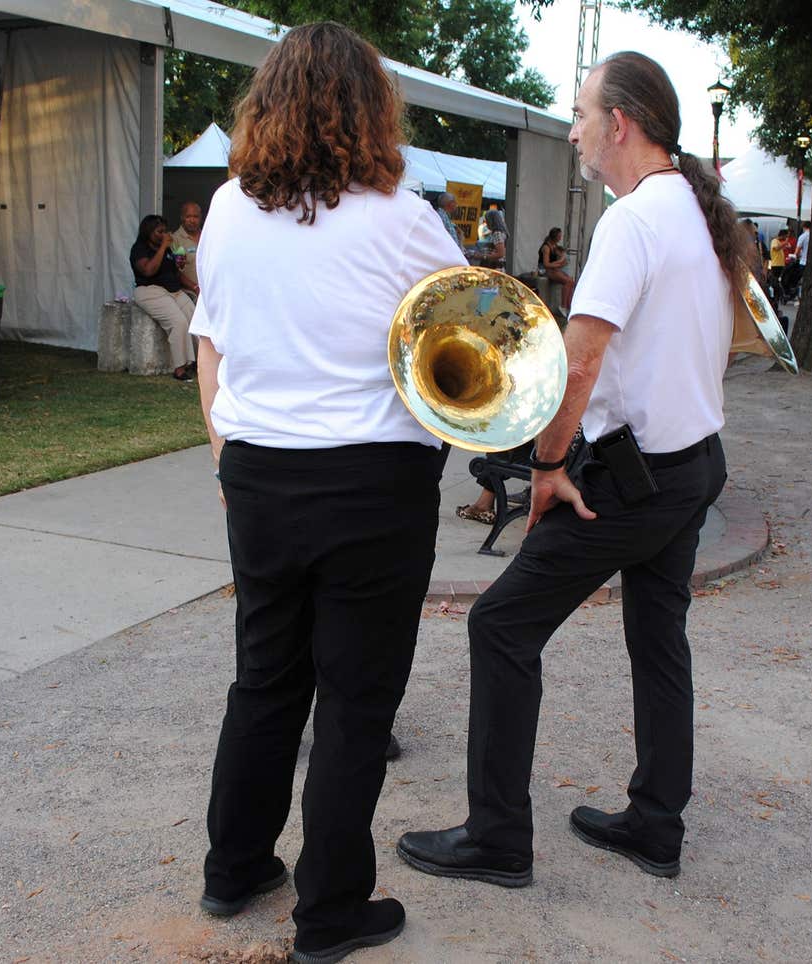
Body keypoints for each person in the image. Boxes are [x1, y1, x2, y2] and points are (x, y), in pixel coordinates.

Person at [398, 50, 738, 887]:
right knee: (659, 640)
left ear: (620, 123)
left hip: (634, 477)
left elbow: (577, 365)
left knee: (500, 626)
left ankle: (498, 838)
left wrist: (549, 467)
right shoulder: (691, 208)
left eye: (582, 113)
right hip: (692, 466)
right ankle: (657, 825)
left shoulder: (633, 220)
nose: (575, 127)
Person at [189, 22, 465, 963]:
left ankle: (234, 868)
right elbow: (472, 339)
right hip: (373, 484)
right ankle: (331, 911)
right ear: (369, 109)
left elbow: (209, 342)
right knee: (354, 701)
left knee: (265, 677)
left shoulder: (225, 207)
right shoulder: (403, 218)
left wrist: (224, 451)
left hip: (260, 471)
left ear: (265, 105)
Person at [129, 214, 198, 380]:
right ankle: (180, 368)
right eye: (159, 232)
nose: (164, 235)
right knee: (178, 322)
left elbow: (175, 273)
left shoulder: (167, 249)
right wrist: (163, 248)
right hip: (150, 291)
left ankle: (198, 361)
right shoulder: (139, 249)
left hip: (173, 290)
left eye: (165, 231)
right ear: (149, 232)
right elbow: (148, 270)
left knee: (195, 320)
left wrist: (194, 287)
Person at [538, 227, 576, 312]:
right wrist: (557, 264)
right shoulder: (546, 247)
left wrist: (560, 262)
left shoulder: (554, 246)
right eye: (559, 236)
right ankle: (563, 306)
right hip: (545, 270)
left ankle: (569, 306)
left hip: (553, 268)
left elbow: (561, 259)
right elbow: (546, 264)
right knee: (567, 281)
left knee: (572, 281)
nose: (560, 238)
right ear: (555, 237)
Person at [171, 201, 203, 296]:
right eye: (188, 217)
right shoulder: (176, 240)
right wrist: (195, 287)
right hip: (190, 293)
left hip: (211, 291)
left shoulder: (208, 236)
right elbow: (177, 272)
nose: (192, 220)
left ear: (201, 218)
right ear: (182, 218)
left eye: (195, 217)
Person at [768, 227, 789, 303]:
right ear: (782, 235)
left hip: (780, 264)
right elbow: (776, 248)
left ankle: (779, 295)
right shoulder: (775, 241)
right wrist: (784, 243)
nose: (786, 238)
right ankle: (780, 294)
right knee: (775, 281)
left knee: (778, 280)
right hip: (776, 264)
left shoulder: (779, 242)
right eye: (785, 236)